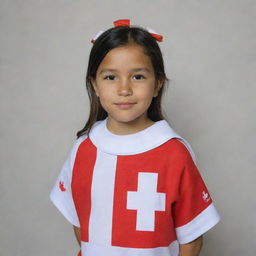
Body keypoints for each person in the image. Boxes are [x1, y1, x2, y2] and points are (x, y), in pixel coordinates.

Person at [50, 19, 220, 256]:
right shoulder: (84, 148)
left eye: (138, 77)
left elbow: (191, 239)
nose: (124, 89)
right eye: (110, 77)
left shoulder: (173, 152)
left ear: (158, 83)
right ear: (95, 85)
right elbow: (79, 220)